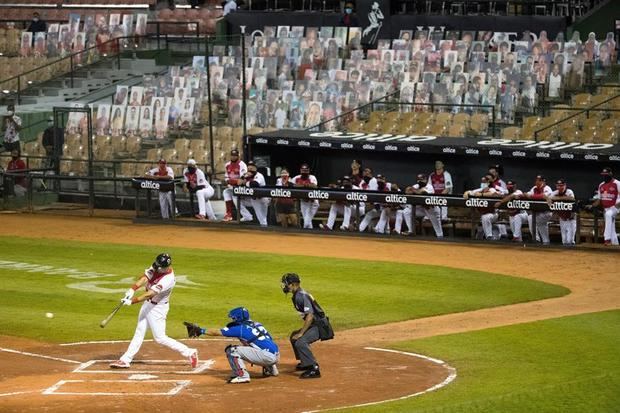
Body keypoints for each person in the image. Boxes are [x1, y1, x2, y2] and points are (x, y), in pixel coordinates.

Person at [109, 253, 198, 369]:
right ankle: (126, 359)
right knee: (139, 331)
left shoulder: (168, 280)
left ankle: (189, 352)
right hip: (148, 305)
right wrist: (132, 289)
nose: (156, 267)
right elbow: (145, 277)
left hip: (158, 309)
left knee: (160, 338)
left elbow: (150, 294)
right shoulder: (157, 266)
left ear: (164, 267)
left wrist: (132, 301)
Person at [184, 307, 279, 384]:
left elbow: (218, 332)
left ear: (238, 318)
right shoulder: (257, 324)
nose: (232, 319)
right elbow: (269, 339)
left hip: (267, 357)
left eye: (233, 318)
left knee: (232, 350)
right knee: (257, 345)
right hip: (276, 354)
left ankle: (242, 376)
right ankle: (271, 368)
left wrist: (201, 330)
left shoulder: (240, 328)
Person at [281, 273, 326, 379]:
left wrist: (301, 333)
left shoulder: (302, 295)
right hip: (315, 324)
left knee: (301, 341)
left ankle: (313, 368)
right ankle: (305, 362)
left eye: (286, 284)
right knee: (294, 336)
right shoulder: (297, 295)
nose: (285, 286)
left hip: (320, 326)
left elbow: (310, 316)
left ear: (293, 284)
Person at [464, 173, 503, 240]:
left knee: (485, 217)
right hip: (482, 214)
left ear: (488, 183)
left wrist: (481, 195)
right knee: (479, 235)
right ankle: (486, 234)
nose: (483, 183)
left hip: (493, 214)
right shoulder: (479, 190)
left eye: (484, 182)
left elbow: (494, 194)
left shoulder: (492, 189)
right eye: (482, 182)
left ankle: (489, 237)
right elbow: (469, 192)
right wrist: (466, 193)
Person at [589, 167, 620, 245]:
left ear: (611, 174)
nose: (605, 176)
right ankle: (615, 244)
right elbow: (599, 199)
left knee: (609, 215)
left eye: (606, 174)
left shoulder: (617, 183)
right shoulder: (601, 185)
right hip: (606, 208)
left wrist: (617, 206)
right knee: (611, 227)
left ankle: (607, 239)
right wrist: (592, 206)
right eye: (603, 174)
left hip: (615, 207)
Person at [238, 161, 270, 226]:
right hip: (254, 198)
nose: (250, 170)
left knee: (263, 216)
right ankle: (247, 216)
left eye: (252, 168)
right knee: (238, 200)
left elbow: (255, 184)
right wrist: (243, 177)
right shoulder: (246, 175)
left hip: (263, 198)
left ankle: (264, 226)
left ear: (255, 169)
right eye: (249, 168)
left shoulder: (259, 175)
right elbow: (238, 183)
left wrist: (246, 182)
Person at [547, 179, 576, 246]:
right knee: (564, 240)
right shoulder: (555, 192)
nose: (560, 187)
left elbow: (571, 198)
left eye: (561, 185)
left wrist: (557, 198)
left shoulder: (569, 191)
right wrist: (549, 199)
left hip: (571, 219)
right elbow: (547, 198)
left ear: (565, 185)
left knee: (570, 240)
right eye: (558, 186)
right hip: (562, 218)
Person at [525, 175, 553, 244]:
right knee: (541, 225)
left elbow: (543, 196)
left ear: (543, 181)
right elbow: (526, 194)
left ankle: (536, 239)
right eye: (537, 180)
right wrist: (527, 195)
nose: (537, 182)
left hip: (546, 212)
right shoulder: (534, 188)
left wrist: (531, 196)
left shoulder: (547, 188)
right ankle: (545, 241)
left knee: (532, 218)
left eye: (540, 180)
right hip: (538, 212)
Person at [223, 149, 248, 221]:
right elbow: (226, 177)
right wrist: (228, 182)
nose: (233, 157)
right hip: (232, 186)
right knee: (225, 192)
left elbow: (242, 179)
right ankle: (228, 214)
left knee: (234, 197)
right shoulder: (227, 165)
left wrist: (232, 181)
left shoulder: (242, 164)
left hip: (241, 187)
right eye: (232, 155)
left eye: (235, 155)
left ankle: (246, 215)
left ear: (238, 156)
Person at [292, 164, 319, 229]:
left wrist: (301, 185)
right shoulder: (297, 177)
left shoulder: (312, 177)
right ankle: (310, 235)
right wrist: (305, 185)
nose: (304, 172)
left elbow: (314, 186)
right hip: (304, 202)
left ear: (309, 171)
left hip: (313, 201)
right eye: (303, 170)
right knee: (307, 223)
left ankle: (306, 233)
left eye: (306, 170)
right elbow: (292, 185)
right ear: (300, 170)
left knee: (307, 222)